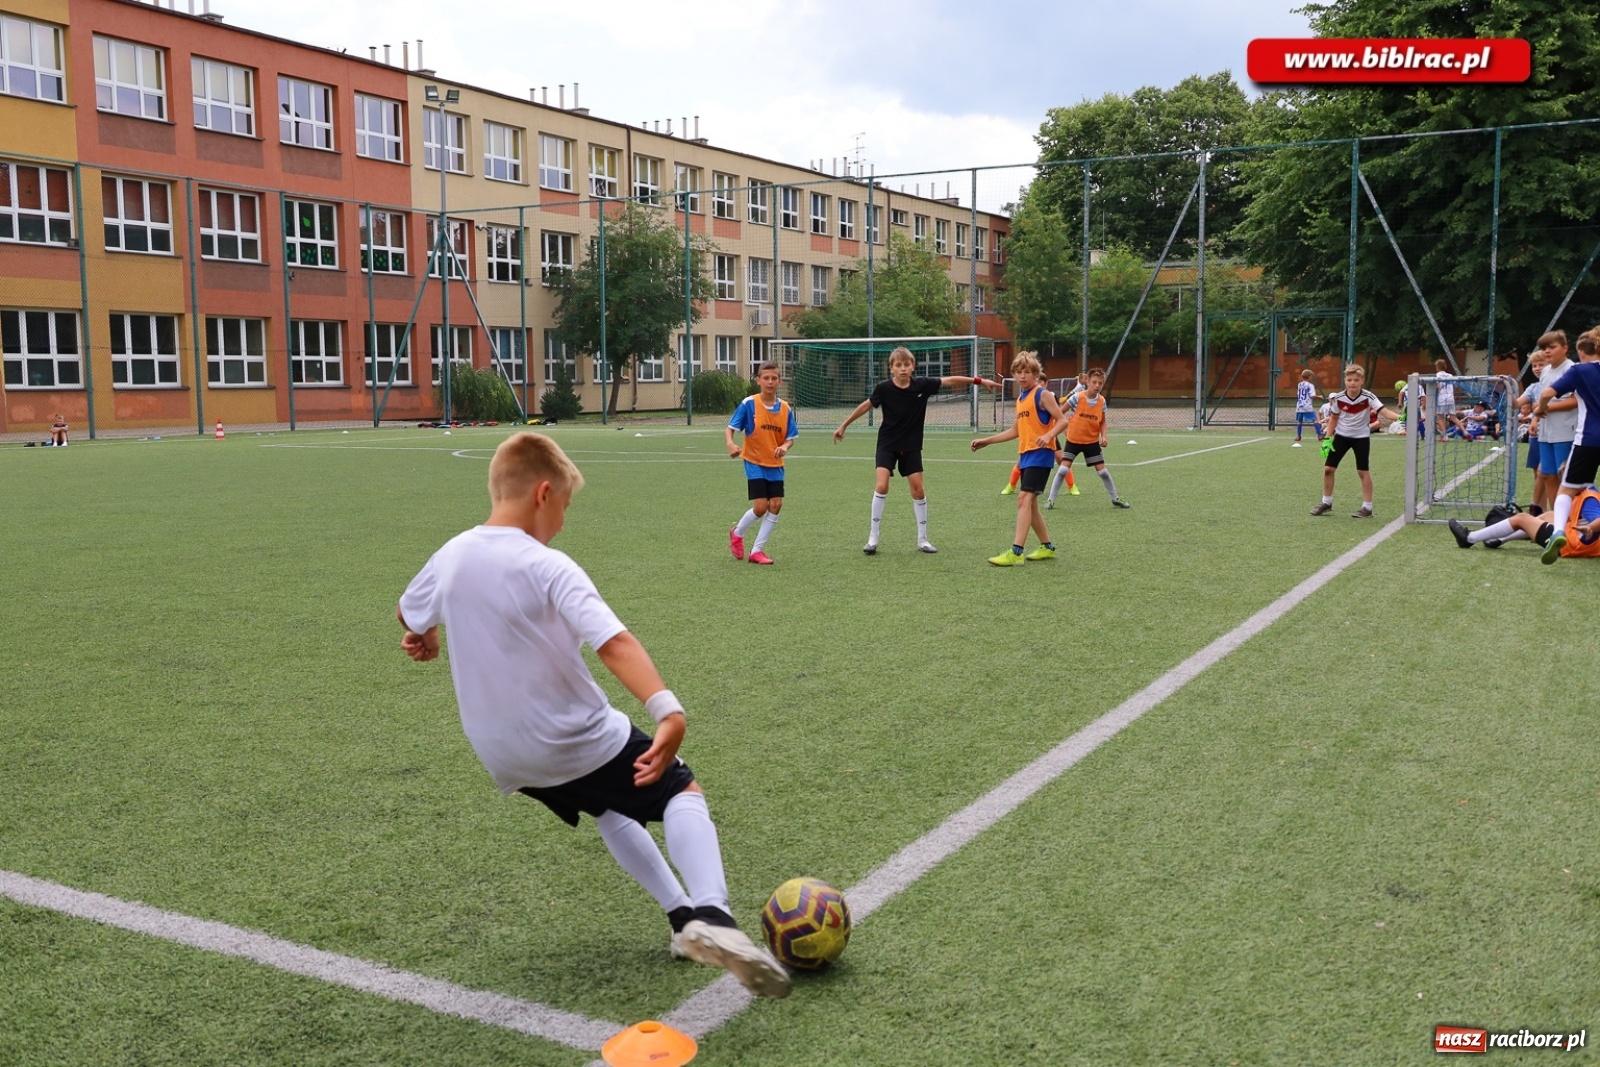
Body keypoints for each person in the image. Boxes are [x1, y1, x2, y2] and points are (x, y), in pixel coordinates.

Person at [396, 434, 790, 998]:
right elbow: (614, 643)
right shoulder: (547, 565)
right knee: (680, 789)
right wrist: (668, 710)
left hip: (502, 753)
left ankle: (682, 920)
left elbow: (409, 611)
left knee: (607, 800)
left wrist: (426, 634)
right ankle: (714, 914)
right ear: (543, 494)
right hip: (568, 735)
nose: (562, 522)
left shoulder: (452, 553)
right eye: (564, 506)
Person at [833, 346, 998, 554]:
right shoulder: (883, 388)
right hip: (887, 444)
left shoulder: (922, 385)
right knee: (882, 485)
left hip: (911, 446)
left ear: (913, 366)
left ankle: (923, 539)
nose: (903, 368)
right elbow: (866, 405)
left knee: (918, 490)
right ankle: (873, 538)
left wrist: (979, 381)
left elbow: (950, 380)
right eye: (898, 365)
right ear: (891, 368)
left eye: (906, 364)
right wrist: (844, 425)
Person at [971, 352, 1070, 566]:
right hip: (1026, 455)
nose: (1022, 376)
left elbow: (1063, 421)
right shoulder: (1021, 399)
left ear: (1035, 374)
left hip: (1041, 455)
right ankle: (1047, 547)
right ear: (1014, 374)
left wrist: (1049, 435)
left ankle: (1016, 552)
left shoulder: (1042, 394)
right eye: (1018, 372)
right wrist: (987, 441)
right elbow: (1015, 431)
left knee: (1023, 499)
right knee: (1030, 504)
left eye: (1027, 372)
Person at [725, 362, 798, 566]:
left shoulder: (785, 409)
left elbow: (790, 438)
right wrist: (730, 443)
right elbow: (730, 429)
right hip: (754, 461)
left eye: (774, 378)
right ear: (758, 380)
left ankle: (756, 551)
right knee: (760, 507)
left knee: (776, 504)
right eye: (766, 378)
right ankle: (737, 533)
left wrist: (784, 447)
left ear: (779, 381)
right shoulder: (749, 404)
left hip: (775, 464)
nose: (770, 382)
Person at [1533, 329, 1600, 547]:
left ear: (1580, 351)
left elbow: (1547, 394)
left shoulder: (1579, 370)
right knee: (1584, 484)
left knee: (1567, 488)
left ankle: (1559, 531)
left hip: (1588, 439)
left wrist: (1541, 409)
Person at [1310, 363, 1400, 518]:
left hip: (1361, 438)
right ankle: (1326, 502)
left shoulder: (1369, 397)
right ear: (1345, 380)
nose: (1352, 383)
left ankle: (1367, 507)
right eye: (1349, 380)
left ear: (1362, 381)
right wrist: (1327, 439)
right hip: (1341, 437)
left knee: (1362, 471)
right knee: (1328, 469)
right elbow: (1334, 418)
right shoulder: (1338, 398)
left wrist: (1401, 417)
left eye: (1356, 380)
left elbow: (1384, 412)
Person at [1449, 484, 1600, 564]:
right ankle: (1499, 539)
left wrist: (1590, 527)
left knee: (1521, 518)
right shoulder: (1587, 492)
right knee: (1548, 516)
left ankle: (1469, 538)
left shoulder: (1588, 498)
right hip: (1585, 544)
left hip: (1571, 545)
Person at [1045, 367, 1130, 509]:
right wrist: (1058, 430)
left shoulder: (1101, 401)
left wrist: (1104, 436)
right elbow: (1059, 414)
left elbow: (1102, 422)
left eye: (1100, 383)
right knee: (1063, 470)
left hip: (1091, 442)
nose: (1097, 385)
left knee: (1103, 472)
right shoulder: (1077, 398)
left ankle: (1115, 498)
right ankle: (1050, 500)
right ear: (1088, 382)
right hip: (1073, 441)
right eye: (1094, 382)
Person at [1531, 331, 1577, 518]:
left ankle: (1572, 518)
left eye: (1552, 347)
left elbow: (1576, 400)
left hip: (1565, 432)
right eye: (1544, 348)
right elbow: (1542, 402)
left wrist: (1547, 407)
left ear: (1565, 348)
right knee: (1547, 475)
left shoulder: (1572, 369)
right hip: (1546, 433)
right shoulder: (1546, 371)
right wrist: (1536, 418)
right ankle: (1555, 518)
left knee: (1565, 477)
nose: (1547, 351)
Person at [1292, 370, 1322, 447]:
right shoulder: (1310, 385)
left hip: (1299, 405)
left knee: (1299, 421)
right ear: (1309, 377)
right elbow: (1312, 395)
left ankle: (1298, 436)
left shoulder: (1299, 384)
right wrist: (1319, 396)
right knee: (1315, 420)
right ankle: (1319, 435)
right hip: (1307, 405)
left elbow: (1299, 394)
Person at [1434, 358, 1457, 437]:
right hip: (1451, 397)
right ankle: (1465, 432)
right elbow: (1455, 386)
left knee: (1440, 417)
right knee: (1453, 417)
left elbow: (1438, 386)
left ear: (1437, 367)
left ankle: (1444, 435)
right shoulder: (1450, 375)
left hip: (1442, 398)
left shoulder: (1438, 375)